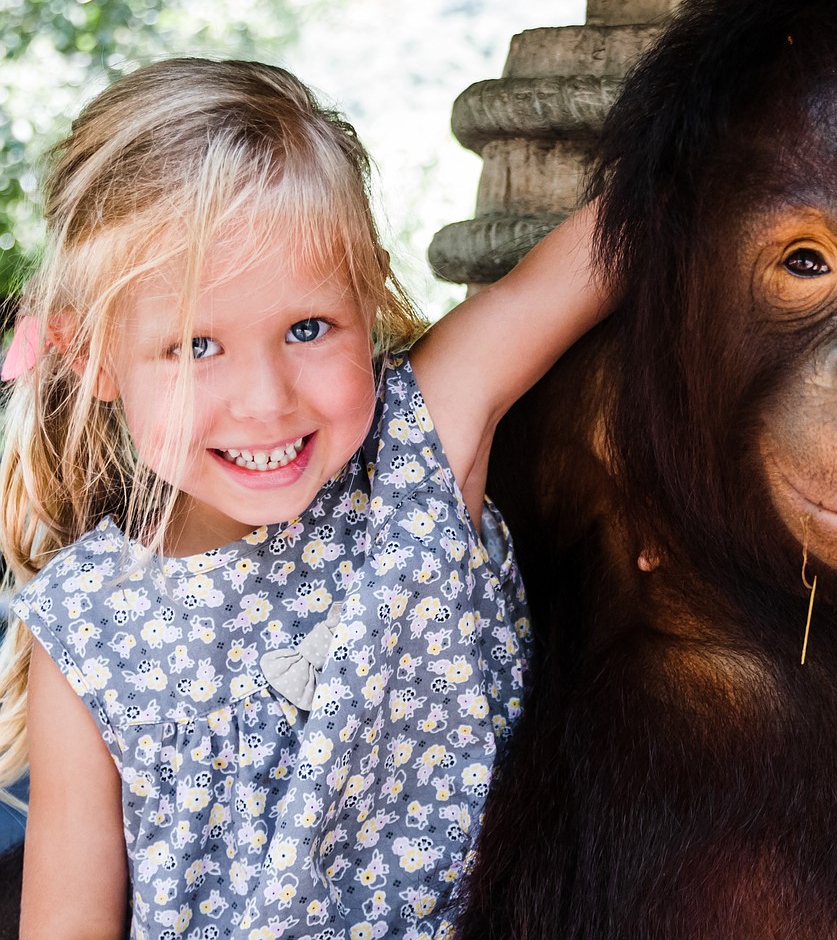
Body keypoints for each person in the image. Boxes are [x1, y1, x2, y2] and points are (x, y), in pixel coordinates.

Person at [0, 58, 609, 939]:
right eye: (194, 345)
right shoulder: (87, 623)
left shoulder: (415, 458)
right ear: (92, 357)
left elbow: (597, 252)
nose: (267, 398)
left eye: (309, 328)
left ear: (371, 306)